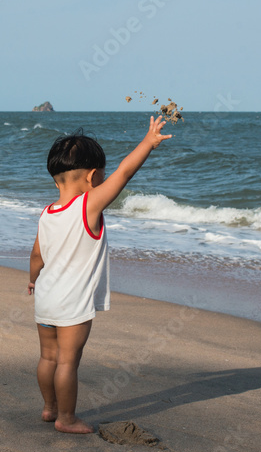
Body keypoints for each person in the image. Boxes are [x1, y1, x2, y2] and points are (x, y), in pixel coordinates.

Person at [28, 116, 171, 433]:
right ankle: (66, 419)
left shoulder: (47, 213)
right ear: (93, 177)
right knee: (68, 362)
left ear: (56, 179)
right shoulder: (88, 206)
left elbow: (37, 255)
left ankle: (50, 408)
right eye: (102, 176)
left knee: (48, 358)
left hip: (46, 298)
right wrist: (148, 142)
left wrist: (32, 279)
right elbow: (125, 173)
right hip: (72, 305)